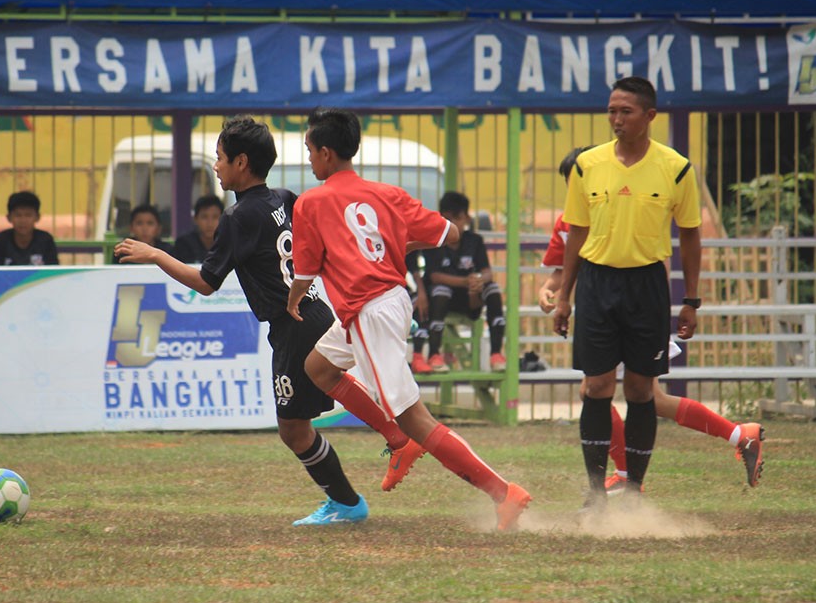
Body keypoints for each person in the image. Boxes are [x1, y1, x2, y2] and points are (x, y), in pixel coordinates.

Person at [115, 116, 414, 527]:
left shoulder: (238, 218)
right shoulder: (284, 197)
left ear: (241, 162)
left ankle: (350, 500)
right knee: (321, 395)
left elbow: (205, 282)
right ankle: (388, 447)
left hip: (292, 324)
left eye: (220, 158)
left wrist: (156, 255)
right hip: (314, 310)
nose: (216, 167)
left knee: (293, 429)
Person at [287, 107, 532, 532]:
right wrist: (395, 245)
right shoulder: (387, 194)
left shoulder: (311, 202)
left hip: (368, 309)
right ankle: (399, 443)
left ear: (326, 153)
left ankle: (502, 491)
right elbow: (450, 235)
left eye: (309, 150)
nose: (308, 159)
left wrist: (293, 302)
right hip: (389, 299)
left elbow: (305, 271)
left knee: (414, 416)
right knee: (318, 367)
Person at [540, 147, 765, 492]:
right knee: (639, 395)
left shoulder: (626, 203)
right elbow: (561, 270)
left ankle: (629, 475)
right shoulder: (568, 223)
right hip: (599, 308)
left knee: (614, 391)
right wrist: (550, 290)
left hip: (636, 308)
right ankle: (739, 434)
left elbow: (650, 254)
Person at [552, 76, 705, 509]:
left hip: (647, 286)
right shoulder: (588, 165)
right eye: (612, 112)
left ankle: (634, 490)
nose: (616, 120)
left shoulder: (676, 167)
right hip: (598, 286)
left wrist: (691, 301)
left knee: (640, 390)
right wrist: (565, 296)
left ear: (650, 116)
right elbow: (576, 233)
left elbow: (690, 237)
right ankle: (595, 491)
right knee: (596, 386)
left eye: (626, 112)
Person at [413, 191, 507, 374]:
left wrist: (478, 281)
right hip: (440, 302)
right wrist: (466, 281)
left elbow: (487, 272)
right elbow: (434, 276)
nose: (453, 224)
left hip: (470, 300)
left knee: (493, 289)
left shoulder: (475, 241)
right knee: (441, 291)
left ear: (467, 218)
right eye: (448, 218)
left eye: (458, 218)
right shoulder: (434, 240)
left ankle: (496, 354)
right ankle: (434, 355)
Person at [0, 191, 60, 266]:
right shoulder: (0, 241)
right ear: (9, 217)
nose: (23, 221)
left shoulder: (45, 240)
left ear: (37, 217)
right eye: (18, 215)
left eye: (28, 215)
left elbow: (53, 271)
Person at [170, 195, 224, 264]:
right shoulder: (183, 244)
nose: (210, 223)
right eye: (204, 217)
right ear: (195, 219)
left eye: (215, 217)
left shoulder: (228, 243)